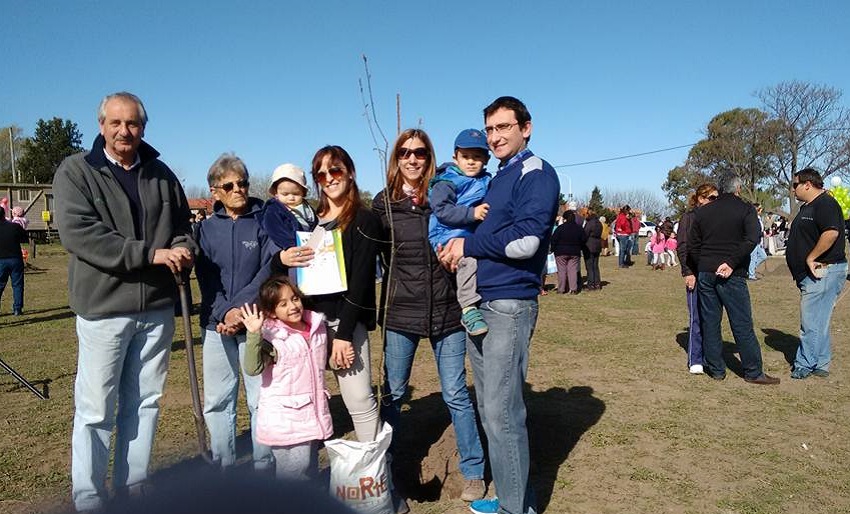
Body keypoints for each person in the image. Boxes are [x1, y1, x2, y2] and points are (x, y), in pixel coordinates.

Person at [53, 92, 195, 511]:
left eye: (132, 124)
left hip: (155, 308)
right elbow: (80, 234)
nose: (123, 132)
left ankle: (134, 486)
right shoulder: (77, 171)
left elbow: (184, 227)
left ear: (143, 128)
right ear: (101, 126)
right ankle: (90, 497)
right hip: (104, 310)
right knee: (96, 409)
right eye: (115, 123)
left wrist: (185, 247)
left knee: (146, 403)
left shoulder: (162, 174)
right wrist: (149, 254)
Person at [439, 96, 560, 514]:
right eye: (490, 129)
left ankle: (515, 509)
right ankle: (512, 499)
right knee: (492, 412)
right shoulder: (499, 176)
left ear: (526, 127)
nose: (495, 137)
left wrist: (467, 243)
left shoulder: (536, 173)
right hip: (483, 304)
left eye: (503, 127)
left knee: (503, 413)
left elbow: (527, 243)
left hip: (510, 304)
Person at [373, 129, 486, 504]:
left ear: (430, 157)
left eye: (420, 152)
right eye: (404, 152)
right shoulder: (383, 205)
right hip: (401, 313)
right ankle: (383, 470)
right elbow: (361, 253)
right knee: (393, 395)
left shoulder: (447, 192)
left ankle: (473, 470)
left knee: (456, 393)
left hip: (447, 309)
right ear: (396, 158)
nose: (412, 158)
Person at [271, 145, 381, 444]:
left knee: (358, 399)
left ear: (350, 172)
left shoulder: (363, 219)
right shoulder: (308, 221)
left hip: (343, 323)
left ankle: (372, 470)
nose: (329, 178)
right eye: (321, 174)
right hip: (307, 326)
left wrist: (344, 335)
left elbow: (361, 282)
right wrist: (281, 259)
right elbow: (279, 266)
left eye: (335, 170)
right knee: (307, 399)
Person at [195, 154, 277, 472]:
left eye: (242, 182)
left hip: (255, 321)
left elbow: (267, 270)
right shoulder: (204, 230)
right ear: (215, 191)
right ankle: (223, 465)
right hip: (216, 325)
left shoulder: (264, 222)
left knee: (259, 398)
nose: (238, 189)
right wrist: (224, 313)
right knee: (218, 400)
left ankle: (264, 462)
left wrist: (239, 312)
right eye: (229, 185)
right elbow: (206, 278)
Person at [688, 172, 779, 385]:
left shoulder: (702, 213)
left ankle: (716, 369)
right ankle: (753, 371)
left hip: (706, 273)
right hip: (732, 274)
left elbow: (693, 245)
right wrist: (731, 262)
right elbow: (752, 238)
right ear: (738, 189)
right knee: (741, 323)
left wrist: (706, 263)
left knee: (710, 322)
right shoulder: (746, 209)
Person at [240, 276, 332, 480]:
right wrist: (254, 334)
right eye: (283, 304)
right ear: (272, 312)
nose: (292, 306)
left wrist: (336, 361)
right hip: (286, 418)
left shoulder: (317, 327)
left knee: (309, 469)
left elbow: (320, 361)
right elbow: (252, 368)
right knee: (293, 473)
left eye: (294, 299)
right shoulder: (272, 338)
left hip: (312, 413)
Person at [428, 128, 492, 337]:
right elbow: (442, 210)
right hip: (446, 235)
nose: (471, 162)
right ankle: (468, 308)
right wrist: (472, 213)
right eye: (465, 157)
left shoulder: (486, 180)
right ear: (455, 157)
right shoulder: (446, 181)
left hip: (467, 235)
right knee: (469, 261)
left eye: (477, 157)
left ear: (486, 159)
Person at [785, 168, 848, 379]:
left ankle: (805, 363)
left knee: (810, 320)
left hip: (824, 270)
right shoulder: (808, 207)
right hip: (812, 274)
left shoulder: (826, 204)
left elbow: (831, 232)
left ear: (807, 184)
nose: (792, 189)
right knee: (819, 319)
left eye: (795, 185)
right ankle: (821, 361)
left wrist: (811, 257)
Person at [677, 183, 717, 375]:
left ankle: (712, 356)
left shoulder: (717, 218)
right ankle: (696, 358)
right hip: (696, 272)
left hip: (714, 273)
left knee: (712, 318)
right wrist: (688, 272)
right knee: (696, 317)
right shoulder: (689, 218)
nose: (715, 202)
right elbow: (682, 246)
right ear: (701, 199)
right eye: (712, 198)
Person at [259, 163, 318, 251]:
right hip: (289, 248)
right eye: (285, 194)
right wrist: (292, 245)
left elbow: (315, 225)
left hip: (309, 245)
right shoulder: (274, 210)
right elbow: (276, 232)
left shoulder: (307, 208)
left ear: (303, 193)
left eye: (296, 194)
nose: (291, 198)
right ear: (276, 193)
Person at [0, 207, 28, 315]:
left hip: (1, 260)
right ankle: (17, 308)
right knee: (17, 285)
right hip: (15, 258)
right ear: (4, 214)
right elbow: (24, 238)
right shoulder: (14, 226)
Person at [551, 210, 586, 294]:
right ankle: (573, 289)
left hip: (560, 252)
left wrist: (553, 249)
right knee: (573, 270)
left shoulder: (560, 228)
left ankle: (561, 289)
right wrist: (579, 247)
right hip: (575, 252)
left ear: (565, 218)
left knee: (561, 270)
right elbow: (584, 239)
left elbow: (554, 239)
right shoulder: (579, 228)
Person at [582, 208, 603, 290]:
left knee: (589, 266)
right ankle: (597, 283)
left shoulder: (590, 223)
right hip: (597, 245)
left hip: (589, 245)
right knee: (595, 265)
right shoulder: (599, 223)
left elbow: (585, 234)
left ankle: (591, 284)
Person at [747, 203, 767, 280]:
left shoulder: (759, 218)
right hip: (754, 240)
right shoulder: (753, 218)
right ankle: (751, 275)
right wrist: (761, 234)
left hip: (759, 241)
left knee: (763, 256)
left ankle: (750, 269)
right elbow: (755, 230)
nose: (761, 210)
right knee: (753, 257)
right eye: (760, 208)